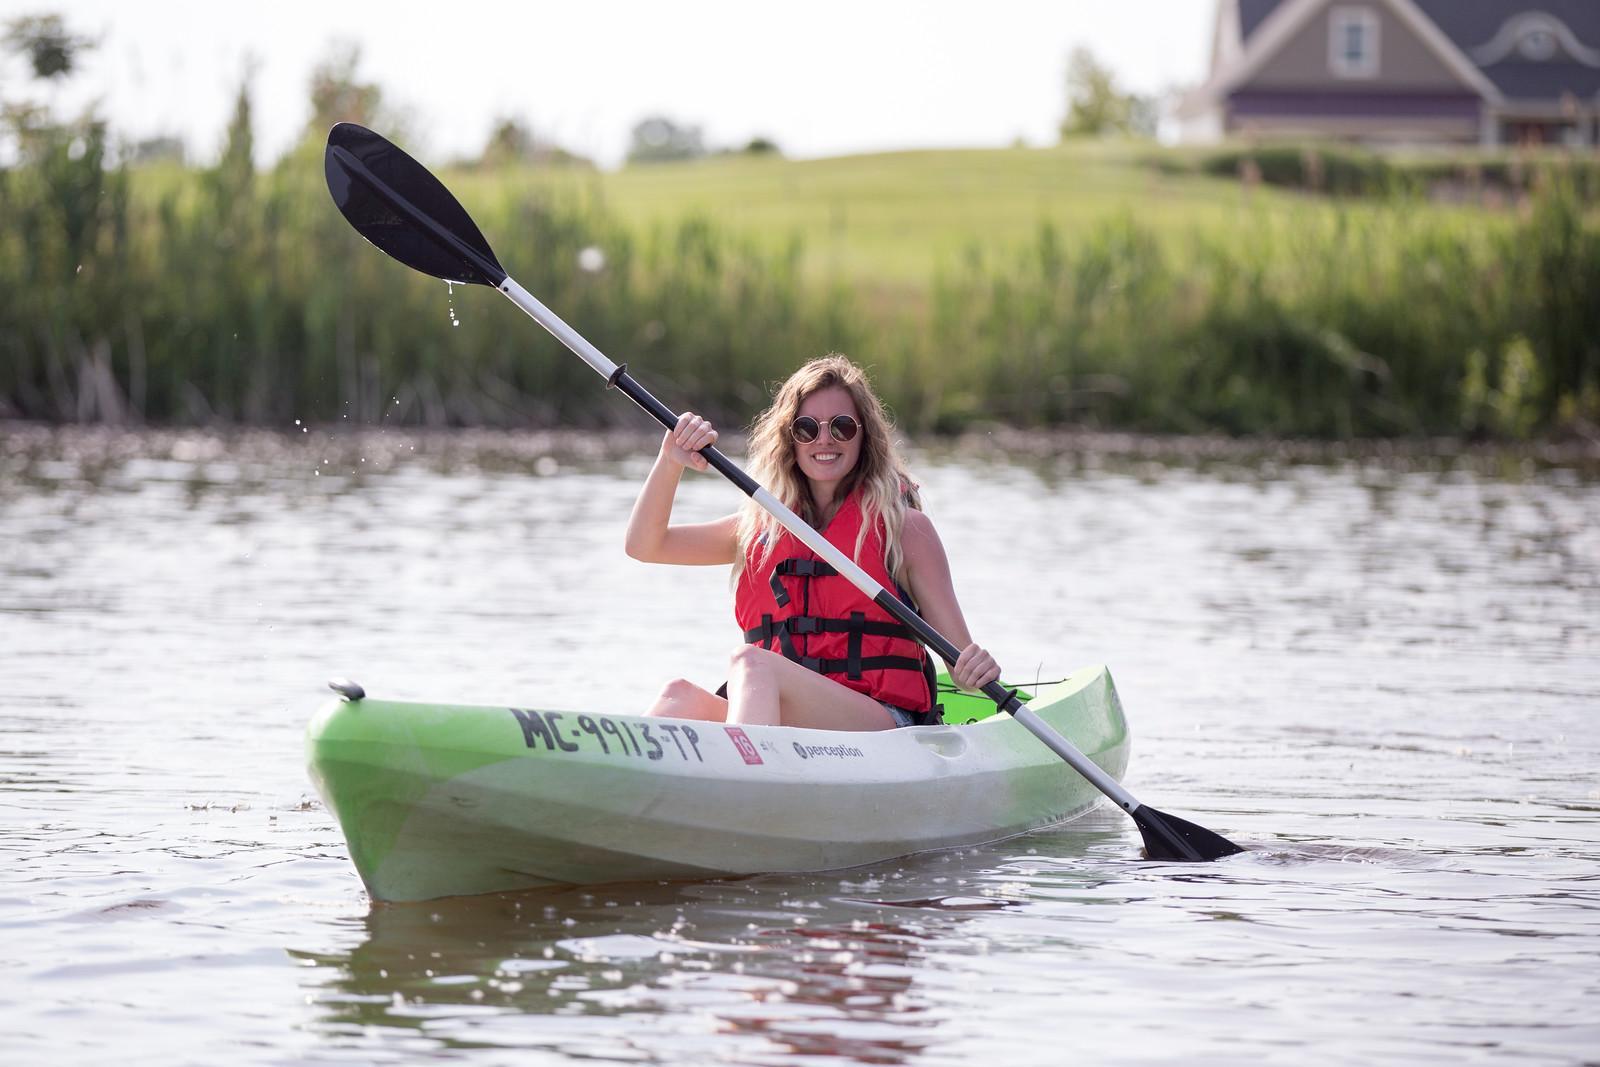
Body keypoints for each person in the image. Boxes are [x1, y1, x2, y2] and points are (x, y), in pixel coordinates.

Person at [624, 354, 1001, 731]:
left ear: (864, 435)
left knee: (752, 665)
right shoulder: (760, 527)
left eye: (842, 427)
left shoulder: (905, 530)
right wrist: (670, 460)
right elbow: (645, 545)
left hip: (884, 727)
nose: (824, 440)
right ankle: (614, 782)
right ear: (789, 439)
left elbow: (961, 666)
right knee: (678, 695)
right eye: (807, 428)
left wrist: (975, 668)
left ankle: (745, 776)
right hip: (791, 726)